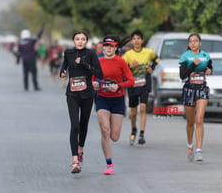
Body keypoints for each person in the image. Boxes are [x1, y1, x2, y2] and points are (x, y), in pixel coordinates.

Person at [59, 30, 103, 174]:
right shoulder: (68, 53)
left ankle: (80, 149)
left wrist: (85, 64)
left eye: (83, 39)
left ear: (86, 41)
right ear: (73, 41)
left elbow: (99, 74)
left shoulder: (90, 54)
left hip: (87, 95)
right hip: (72, 94)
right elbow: (64, 65)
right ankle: (75, 161)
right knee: (75, 126)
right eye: (77, 39)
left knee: (83, 124)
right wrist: (63, 72)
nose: (80, 41)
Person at [92, 35, 134, 175]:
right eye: (106, 46)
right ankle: (109, 164)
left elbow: (131, 81)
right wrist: (95, 83)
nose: (108, 48)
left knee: (114, 136)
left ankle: (110, 129)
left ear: (116, 48)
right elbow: (92, 79)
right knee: (105, 130)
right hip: (103, 99)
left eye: (111, 46)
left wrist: (118, 86)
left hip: (118, 100)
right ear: (103, 47)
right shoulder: (98, 61)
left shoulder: (121, 62)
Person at [179, 33, 212, 162]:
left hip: (202, 88)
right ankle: (189, 145)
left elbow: (210, 67)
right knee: (190, 121)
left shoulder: (206, 55)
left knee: (199, 119)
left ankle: (199, 150)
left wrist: (210, 70)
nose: (193, 43)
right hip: (189, 89)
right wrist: (193, 65)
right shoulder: (185, 57)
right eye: (191, 41)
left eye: (196, 41)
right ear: (188, 44)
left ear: (200, 43)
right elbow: (182, 75)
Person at [123, 29, 160, 146]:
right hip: (133, 85)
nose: (137, 41)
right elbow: (122, 69)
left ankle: (142, 134)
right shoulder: (127, 55)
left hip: (144, 84)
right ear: (132, 41)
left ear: (142, 40)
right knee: (133, 113)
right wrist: (130, 66)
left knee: (143, 108)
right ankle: (134, 128)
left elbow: (157, 59)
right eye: (134, 39)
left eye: (139, 38)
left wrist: (152, 68)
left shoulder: (149, 52)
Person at [17, 24, 44, 91]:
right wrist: (41, 29)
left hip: (24, 60)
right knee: (34, 73)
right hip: (32, 59)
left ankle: (26, 87)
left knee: (25, 74)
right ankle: (35, 86)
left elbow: (19, 53)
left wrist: (18, 60)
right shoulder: (31, 40)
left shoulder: (20, 43)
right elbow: (38, 36)